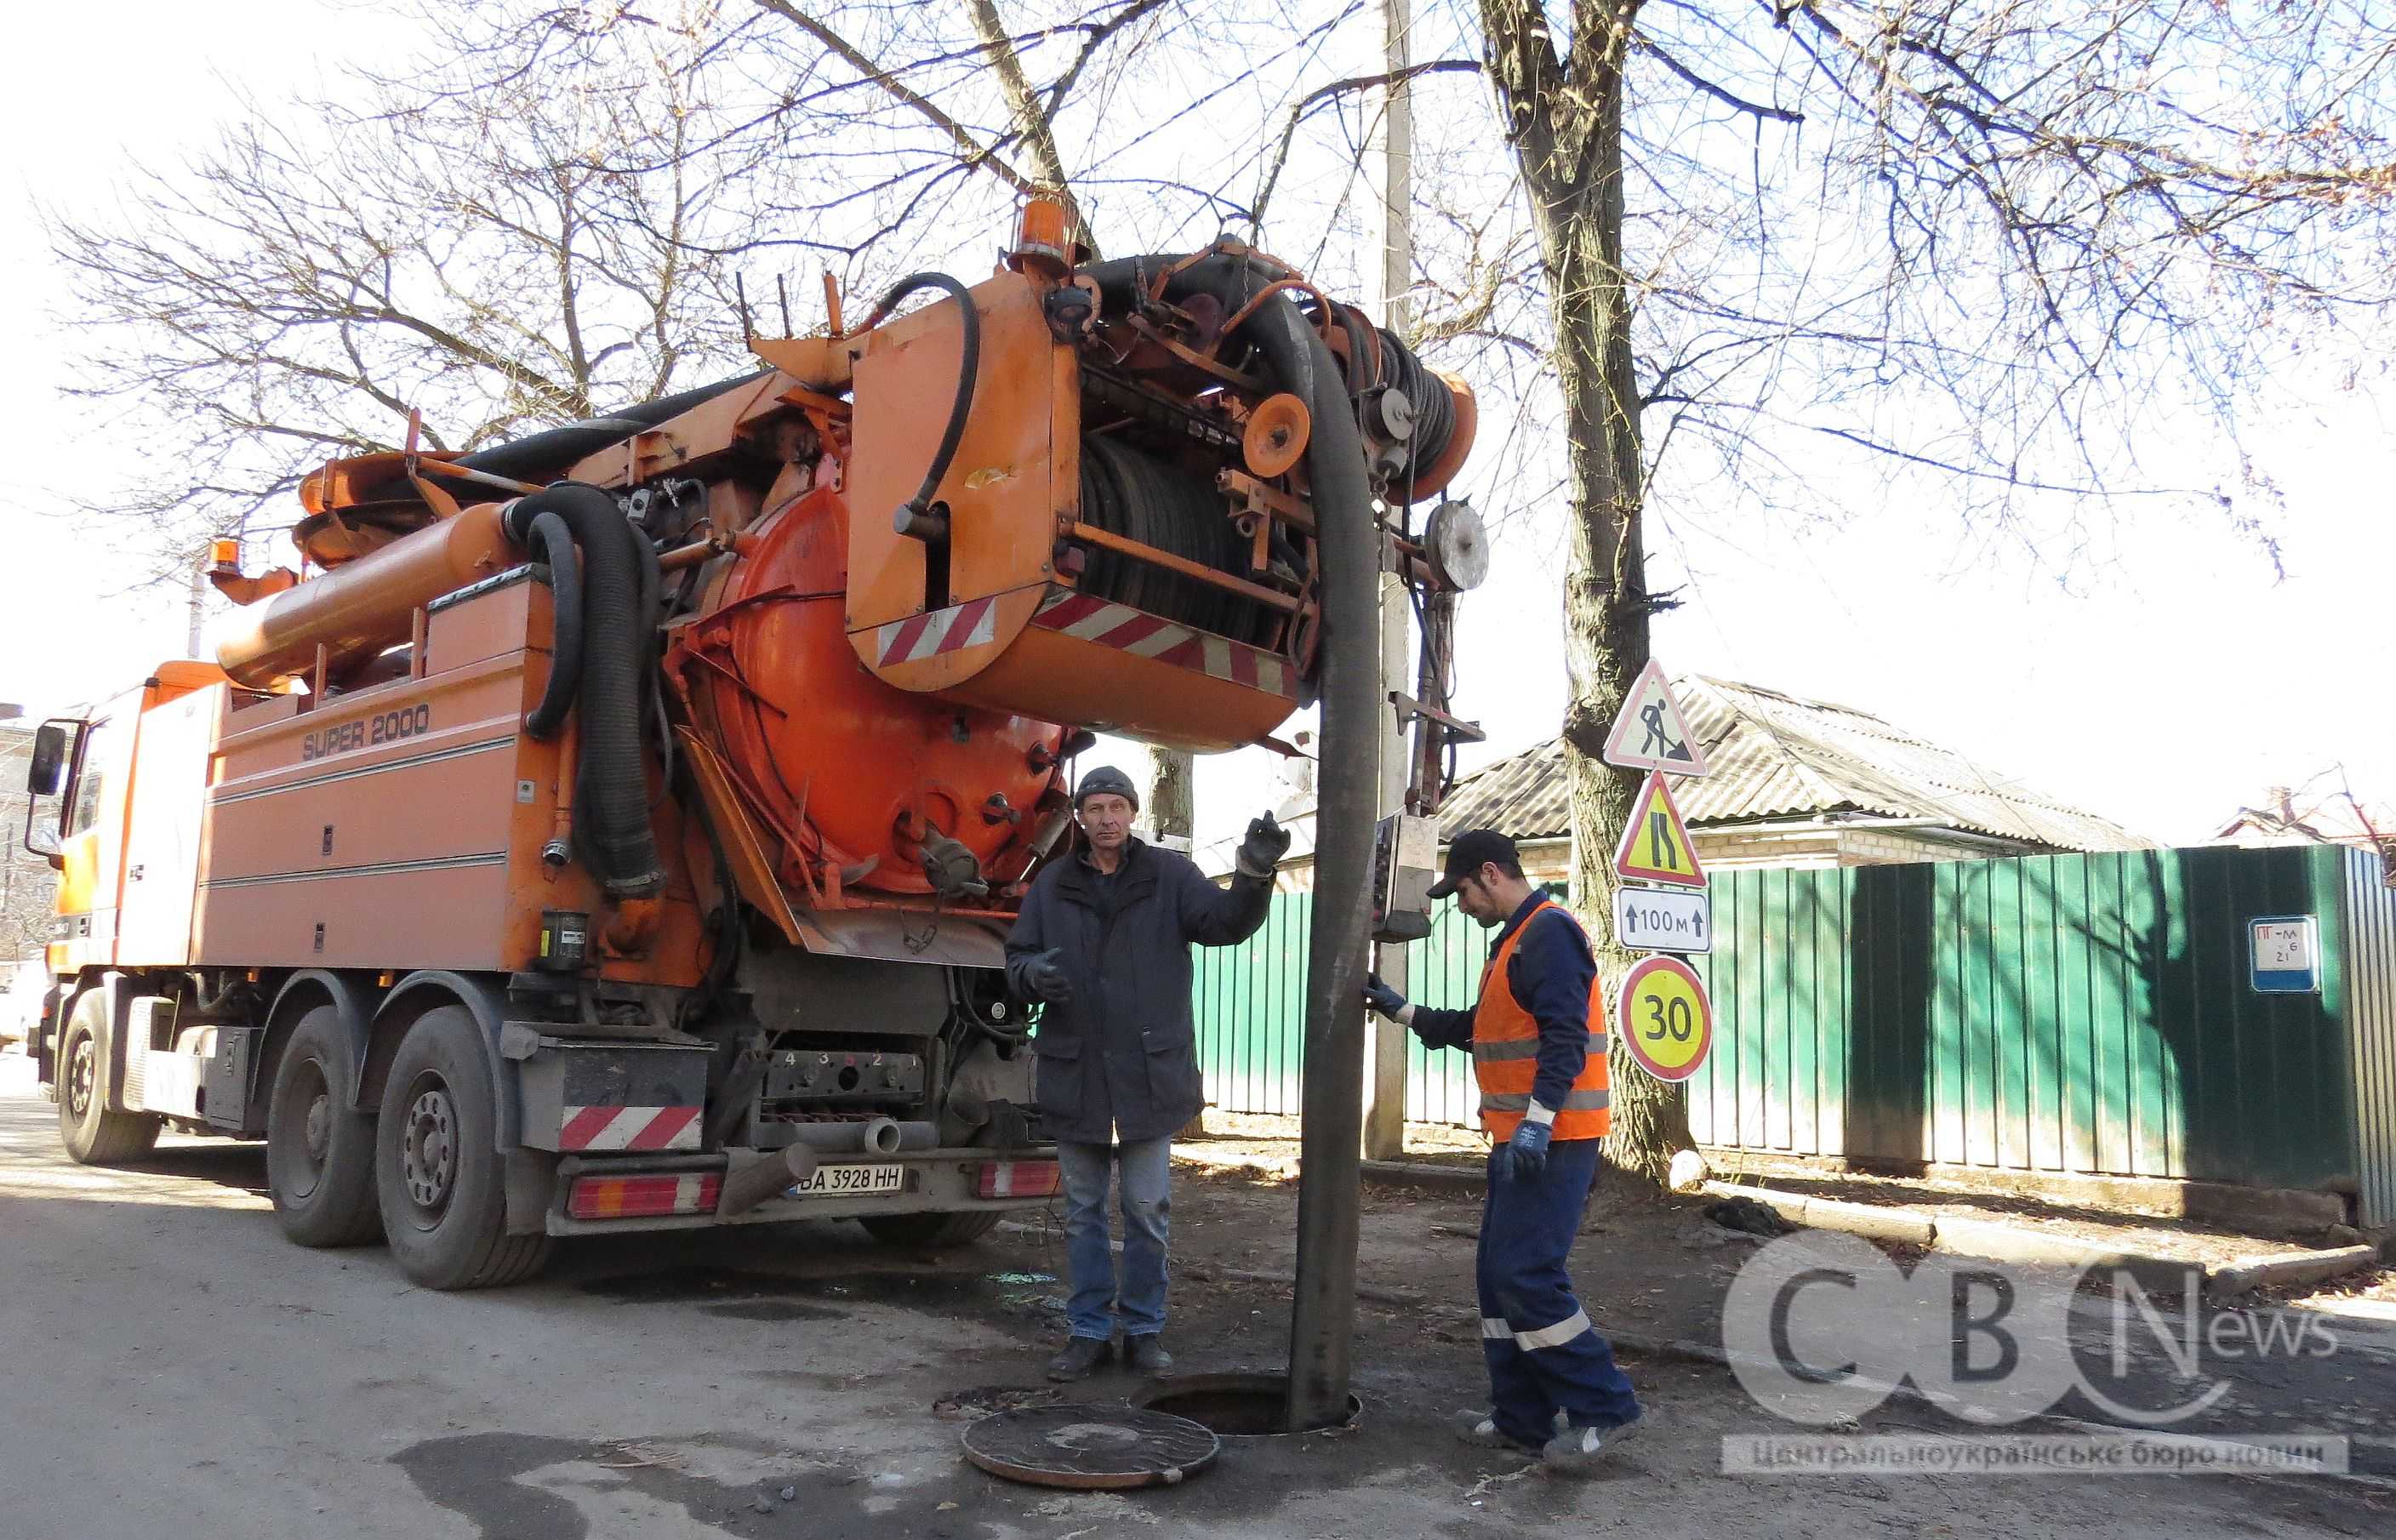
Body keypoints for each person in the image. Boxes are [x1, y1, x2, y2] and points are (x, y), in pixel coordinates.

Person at [1362, 829, 1643, 1473]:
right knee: (1496, 1277)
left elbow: (1565, 1038)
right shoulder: (1517, 941)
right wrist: (1403, 1012)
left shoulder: (1548, 932)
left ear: (1490, 874)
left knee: (1526, 1275)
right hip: (1524, 1141)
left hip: (1554, 1142)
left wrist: (1538, 1126)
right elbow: (1484, 1031)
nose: (1459, 905)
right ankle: (1522, 1417)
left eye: (1460, 891)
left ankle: (1607, 1406)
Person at [1007, 764, 1291, 1381]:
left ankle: (1142, 1330)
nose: (1107, 818)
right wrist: (1033, 977)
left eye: (1117, 806)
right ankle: (1087, 1332)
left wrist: (1253, 874)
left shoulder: (1170, 876)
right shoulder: (1052, 885)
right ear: (1079, 818)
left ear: (1134, 813)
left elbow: (1225, 926)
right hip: (1076, 1070)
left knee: (1146, 1208)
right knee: (1082, 1210)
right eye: (1095, 808)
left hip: (1147, 1073)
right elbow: (1016, 957)